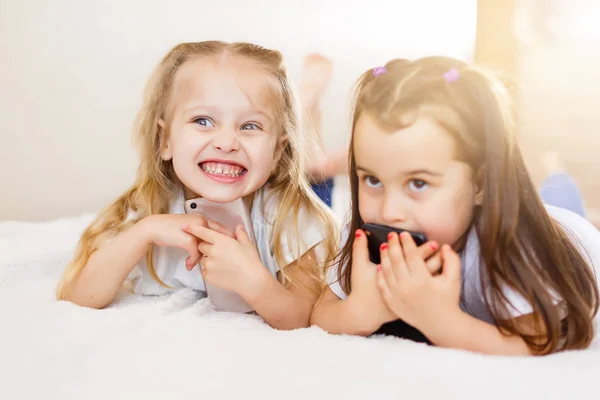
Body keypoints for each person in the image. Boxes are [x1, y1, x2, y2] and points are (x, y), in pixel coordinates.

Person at [311, 56, 600, 355]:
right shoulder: (367, 237)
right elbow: (321, 313)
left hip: (570, 232)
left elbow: (535, 343)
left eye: (418, 183)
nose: (388, 211)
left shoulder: (515, 244)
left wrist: (441, 321)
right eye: (372, 180)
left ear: (480, 184)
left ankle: (558, 175)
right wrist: (360, 311)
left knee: (560, 194)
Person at [57, 41, 338, 330]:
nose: (227, 143)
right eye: (203, 121)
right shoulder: (146, 207)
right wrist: (144, 231)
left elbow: (304, 317)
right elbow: (78, 296)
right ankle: (303, 108)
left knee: (316, 174)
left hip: (298, 187)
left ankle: (308, 104)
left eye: (250, 126)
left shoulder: (288, 215)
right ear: (164, 140)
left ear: (278, 151)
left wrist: (256, 283)